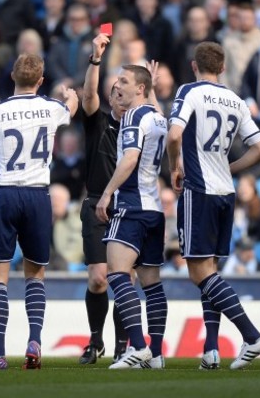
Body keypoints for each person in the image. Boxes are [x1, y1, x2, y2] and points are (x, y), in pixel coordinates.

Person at [167, 42, 260, 370]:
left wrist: (174, 167)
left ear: (194, 66)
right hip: (226, 192)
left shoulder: (190, 92)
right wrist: (231, 168)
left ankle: (252, 336)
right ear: (222, 68)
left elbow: (173, 136)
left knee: (199, 273)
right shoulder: (236, 100)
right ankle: (211, 350)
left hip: (199, 190)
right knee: (209, 269)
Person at [0, 53, 79, 370]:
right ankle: (35, 339)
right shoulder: (51, 109)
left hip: (5, 194)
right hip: (38, 196)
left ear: (12, 78)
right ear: (41, 81)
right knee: (35, 274)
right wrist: (70, 96)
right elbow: (70, 109)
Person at [95, 64, 169, 370]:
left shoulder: (133, 117)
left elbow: (129, 158)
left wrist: (107, 193)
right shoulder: (158, 117)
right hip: (154, 208)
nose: (117, 85)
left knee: (116, 274)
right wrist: (149, 85)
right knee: (151, 284)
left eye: (124, 81)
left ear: (139, 88)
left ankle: (138, 347)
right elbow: (158, 118)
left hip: (131, 206)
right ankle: (157, 354)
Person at [77, 32, 129, 365]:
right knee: (98, 279)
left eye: (125, 92)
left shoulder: (144, 126)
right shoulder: (98, 122)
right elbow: (89, 93)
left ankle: (123, 345)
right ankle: (95, 341)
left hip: (128, 207)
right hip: (95, 203)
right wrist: (95, 58)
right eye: (116, 92)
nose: (119, 96)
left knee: (123, 280)